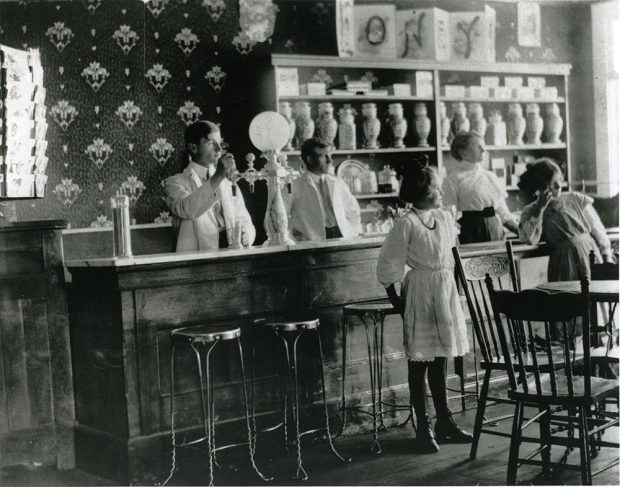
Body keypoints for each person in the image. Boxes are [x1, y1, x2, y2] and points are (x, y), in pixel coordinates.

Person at [377, 160, 472, 454]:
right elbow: (387, 267)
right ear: (421, 190)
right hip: (419, 293)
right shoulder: (406, 224)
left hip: (444, 291)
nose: (440, 189)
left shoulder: (443, 218)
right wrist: (401, 304)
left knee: (441, 357)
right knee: (419, 362)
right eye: (435, 184)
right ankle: (423, 427)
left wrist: (457, 286)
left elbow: (452, 255)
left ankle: (445, 422)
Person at [164, 120, 256, 252]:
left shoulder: (228, 181)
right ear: (193, 148)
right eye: (211, 143)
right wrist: (217, 177)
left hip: (231, 259)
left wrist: (246, 235)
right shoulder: (175, 183)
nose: (219, 149)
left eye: (220, 143)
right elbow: (187, 210)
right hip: (195, 265)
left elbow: (245, 219)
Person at [518, 157, 613, 281]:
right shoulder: (530, 211)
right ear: (541, 186)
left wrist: (606, 256)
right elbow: (530, 239)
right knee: (570, 297)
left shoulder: (575, 199)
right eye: (553, 182)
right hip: (563, 262)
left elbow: (597, 229)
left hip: (590, 254)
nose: (559, 185)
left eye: (560, 180)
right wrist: (540, 208)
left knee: (594, 295)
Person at [442, 132, 519, 243]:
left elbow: (502, 211)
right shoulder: (452, 179)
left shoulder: (490, 176)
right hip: (472, 233)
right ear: (463, 153)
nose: (483, 150)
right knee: (477, 261)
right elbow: (449, 217)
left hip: (496, 230)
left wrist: (520, 232)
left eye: (483, 146)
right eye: (478, 146)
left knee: (498, 260)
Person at [283, 138, 361, 241]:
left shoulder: (338, 183)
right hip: (311, 245)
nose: (330, 161)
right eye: (324, 156)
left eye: (330, 156)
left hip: (342, 239)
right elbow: (280, 219)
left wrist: (353, 233)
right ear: (310, 159)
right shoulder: (294, 187)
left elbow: (353, 211)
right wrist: (294, 242)